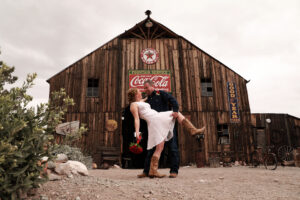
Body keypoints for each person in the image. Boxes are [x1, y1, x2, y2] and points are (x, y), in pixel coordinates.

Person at [128, 87, 205, 178]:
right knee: (176, 113)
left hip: (154, 122)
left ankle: (153, 171)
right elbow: (136, 119)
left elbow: (149, 96)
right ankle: (193, 130)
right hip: (156, 119)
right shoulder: (133, 105)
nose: (141, 92)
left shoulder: (140, 101)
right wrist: (137, 132)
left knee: (159, 147)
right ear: (135, 94)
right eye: (139, 92)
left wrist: (156, 91)